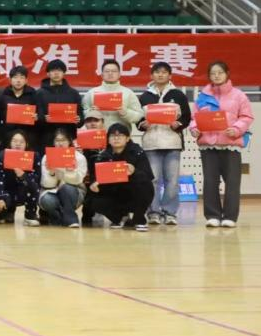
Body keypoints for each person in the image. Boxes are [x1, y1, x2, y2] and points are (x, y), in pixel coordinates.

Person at [190, 61, 254, 228]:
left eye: (220, 72)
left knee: (232, 182)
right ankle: (212, 215)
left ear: (227, 74)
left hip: (230, 144)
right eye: (213, 73)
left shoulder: (239, 95)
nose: (216, 76)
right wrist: (194, 129)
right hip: (208, 145)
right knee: (210, 181)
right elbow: (194, 118)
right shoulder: (203, 96)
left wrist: (236, 129)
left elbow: (246, 116)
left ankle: (230, 217)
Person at [137, 61, 192, 226]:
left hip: (172, 143)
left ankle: (169, 213)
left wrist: (178, 124)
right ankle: (153, 212)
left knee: (172, 181)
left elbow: (187, 117)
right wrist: (142, 124)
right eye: (157, 72)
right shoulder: (145, 97)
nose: (160, 75)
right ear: (151, 75)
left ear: (170, 75)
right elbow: (138, 119)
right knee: (152, 180)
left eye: (164, 72)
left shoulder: (178, 95)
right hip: (151, 143)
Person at [91, 123, 154, 232]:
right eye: (112, 136)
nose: (116, 138)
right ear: (108, 139)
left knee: (146, 186)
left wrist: (134, 172)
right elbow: (96, 178)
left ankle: (139, 219)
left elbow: (148, 176)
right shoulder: (103, 156)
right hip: (115, 193)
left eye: (120, 135)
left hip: (134, 192)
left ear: (127, 138)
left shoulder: (137, 152)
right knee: (92, 199)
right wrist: (95, 184)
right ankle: (118, 218)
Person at [0, 130, 41, 226]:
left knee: (33, 187)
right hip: (7, 192)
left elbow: (36, 182)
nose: (18, 144)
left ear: (26, 144)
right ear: (10, 143)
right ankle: (4, 213)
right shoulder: (2, 156)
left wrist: (23, 176)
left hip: (24, 191)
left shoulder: (34, 157)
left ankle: (30, 215)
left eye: (21, 142)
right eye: (14, 141)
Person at [38, 128, 87, 227]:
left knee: (66, 188)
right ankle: (57, 218)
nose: (60, 143)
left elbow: (79, 180)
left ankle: (71, 219)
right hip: (52, 191)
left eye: (63, 140)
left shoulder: (79, 157)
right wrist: (52, 173)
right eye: (57, 140)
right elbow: (46, 184)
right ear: (53, 142)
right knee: (47, 200)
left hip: (73, 191)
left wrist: (68, 172)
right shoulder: (47, 157)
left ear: (69, 141)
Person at [83, 59, 144, 131]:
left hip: (121, 134)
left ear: (119, 74)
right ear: (102, 75)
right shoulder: (91, 93)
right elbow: (83, 112)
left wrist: (125, 113)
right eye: (107, 71)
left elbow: (139, 115)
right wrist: (90, 112)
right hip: (98, 134)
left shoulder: (128, 93)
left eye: (114, 71)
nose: (110, 73)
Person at [35, 60, 83, 148]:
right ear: (48, 74)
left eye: (59, 70)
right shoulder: (39, 93)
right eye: (53, 70)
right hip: (45, 137)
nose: (56, 73)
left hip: (68, 138)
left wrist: (78, 120)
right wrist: (43, 118)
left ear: (64, 73)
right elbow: (35, 117)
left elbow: (81, 118)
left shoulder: (73, 93)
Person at [0, 66, 39, 149]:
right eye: (15, 77)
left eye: (22, 77)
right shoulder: (3, 97)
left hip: (28, 139)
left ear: (26, 80)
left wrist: (37, 117)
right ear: (10, 80)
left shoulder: (34, 96)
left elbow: (41, 115)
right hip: (7, 139)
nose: (18, 80)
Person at [78, 109, 106, 227]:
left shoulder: (111, 138)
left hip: (106, 178)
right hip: (87, 179)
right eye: (89, 121)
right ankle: (89, 214)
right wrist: (78, 153)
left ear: (102, 122)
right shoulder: (78, 140)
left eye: (96, 120)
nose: (92, 123)